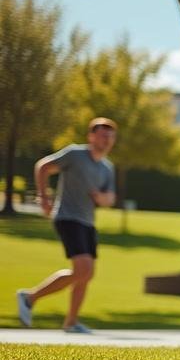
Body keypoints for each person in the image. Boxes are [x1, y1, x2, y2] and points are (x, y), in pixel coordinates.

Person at [16, 117, 119, 334]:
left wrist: (101, 197)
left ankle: (71, 322)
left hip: (88, 222)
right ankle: (30, 297)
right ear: (91, 136)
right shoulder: (75, 155)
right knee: (84, 270)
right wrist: (44, 197)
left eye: (110, 136)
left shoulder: (107, 168)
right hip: (67, 217)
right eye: (102, 135)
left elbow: (110, 199)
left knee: (85, 274)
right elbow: (43, 167)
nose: (106, 140)